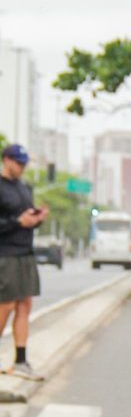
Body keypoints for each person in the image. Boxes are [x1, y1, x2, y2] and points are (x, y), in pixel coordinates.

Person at [0, 143, 48, 381]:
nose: (21, 167)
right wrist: (17, 222)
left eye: (24, 163)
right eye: (18, 162)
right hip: (6, 253)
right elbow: (11, 220)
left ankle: (20, 360)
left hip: (25, 252)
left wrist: (36, 218)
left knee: (24, 306)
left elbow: (26, 216)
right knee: (5, 306)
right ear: (6, 160)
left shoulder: (24, 187)